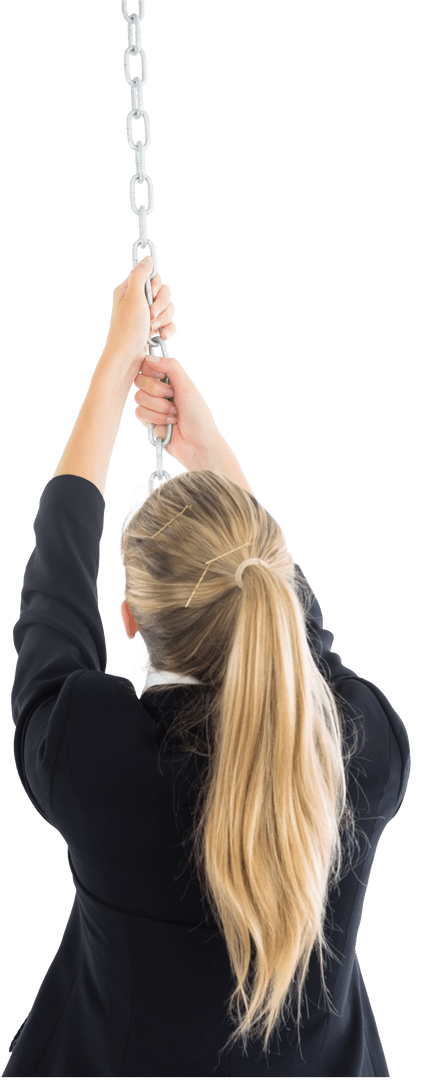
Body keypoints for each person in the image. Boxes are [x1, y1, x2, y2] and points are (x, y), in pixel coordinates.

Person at [3, 256, 411, 1079]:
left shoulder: (96, 752)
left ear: (131, 624)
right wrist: (208, 447)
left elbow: (51, 603)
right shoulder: (361, 750)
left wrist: (114, 364)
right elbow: (297, 639)